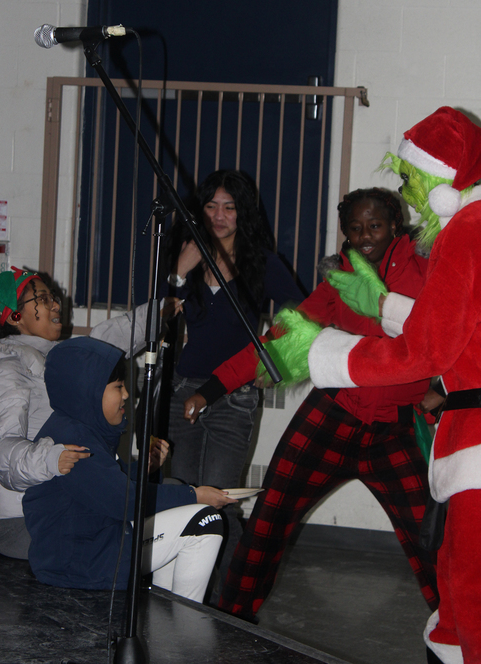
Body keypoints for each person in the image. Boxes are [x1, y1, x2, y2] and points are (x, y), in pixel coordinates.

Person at [254, 107, 481, 664]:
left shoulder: (464, 232)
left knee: (468, 589)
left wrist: (321, 351)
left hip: (470, 436)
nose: (406, 189)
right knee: (454, 578)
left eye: (411, 178)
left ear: (443, 180)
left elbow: (428, 351)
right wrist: (379, 304)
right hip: (450, 432)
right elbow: (459, 328)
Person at [189, 187, 438, 619]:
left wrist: (444, 392)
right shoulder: (338, 282)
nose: (365, 236)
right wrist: (212, 388)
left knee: (432, 536)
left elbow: (455, 335)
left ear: (395, 225)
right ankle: (232, 619)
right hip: (332, 417)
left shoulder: (425, 271)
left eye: (375, 225)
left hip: (396, 431)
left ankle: (461, 630)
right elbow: (278, 343)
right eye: (355, 228)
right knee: (269, 520)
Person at [0, 267, 159, 560]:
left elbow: (102, 344)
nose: (56, 304)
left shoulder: (45, 356)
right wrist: (50, 458)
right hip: (19, 518)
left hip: (55, 501)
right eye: (43, 298)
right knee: (144, 534)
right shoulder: (3, 370)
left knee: (158, 511)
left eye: (54, 296)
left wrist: (159, 313)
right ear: (14, 316)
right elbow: (0, 452)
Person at [165, 169, 304, 596]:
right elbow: (156, 314)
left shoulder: (260, 260)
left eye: (229, 207)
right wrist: (178, 274)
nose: (220, 216)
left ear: (244, 213)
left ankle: (232, 598)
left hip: (235, 396)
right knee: (182, 498)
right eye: (210, 207)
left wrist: (271, 355)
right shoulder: (184, 255)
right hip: (182, 388)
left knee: (220, 501)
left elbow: (303, 313)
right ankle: (176, 590)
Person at [23, 336, 236, 600]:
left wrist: (145, 467)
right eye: (118, 386)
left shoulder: (75, 427)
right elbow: (122, 501)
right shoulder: (73, 443)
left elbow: (109, 484)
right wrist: (196, 495)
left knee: (177, 495)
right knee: (205, 520)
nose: (126, 395)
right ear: (86, 390)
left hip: (86, 548)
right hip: (82, 563)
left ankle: (166, 614)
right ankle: (185, 627)